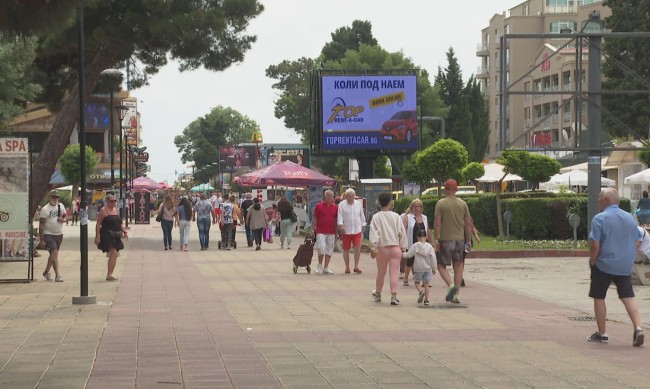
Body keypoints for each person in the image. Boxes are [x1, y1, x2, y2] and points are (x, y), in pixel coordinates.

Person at [587, 188, 644, 346]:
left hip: (604, 263)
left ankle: (602, 333)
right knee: (628, 296)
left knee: (599, 296)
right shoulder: (630, 218)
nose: (598, 200)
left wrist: (593, 261)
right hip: (624, 265)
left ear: (606, 199)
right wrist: (629, 256)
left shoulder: (600, 218)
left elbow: (595, 244)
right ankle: (638, 327)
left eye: (600, 198)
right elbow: (638, 240)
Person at [433, 179, 473, 304]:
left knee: (441, 265)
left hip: (446, 239)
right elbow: (468, 224)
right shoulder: (463, 204)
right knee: (459, 266)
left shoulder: (441, 204)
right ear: (456, 189)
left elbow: (438, 223)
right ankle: (456, 295)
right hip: (460, 240)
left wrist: (436, 238)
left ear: (445, 189)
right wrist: (468, 240)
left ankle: (450, 285)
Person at [369, 192, 407, 305]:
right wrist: (403, 247)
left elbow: (374, 233)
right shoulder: (396, 216)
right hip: (395, 248)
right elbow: (402, 232)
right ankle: (393, 296)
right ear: (390, 203)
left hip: (382, 248)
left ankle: (378, 293)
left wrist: (374, 246)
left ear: (379, 203)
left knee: (381, 273)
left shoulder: (376, 217)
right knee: (394, 273)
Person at [95, 194, 127, 281]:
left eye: (115, 201)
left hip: (116, 234)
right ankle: (109, 274)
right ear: (107, 202)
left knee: (115, 253)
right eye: (111, 201)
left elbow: (119, 222)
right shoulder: (103, 211)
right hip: (107, 234)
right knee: (114, 252)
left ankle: (110, 273)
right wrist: (97, 236)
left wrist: (124, 230)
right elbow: (98, 224)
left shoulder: (115, 210)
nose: (113, 203)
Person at [402, 227, 437, 305]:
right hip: (428, 268)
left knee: (417, 282)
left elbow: (409, 255)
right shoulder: (429, 246)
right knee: (426, 284)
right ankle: (427, 300)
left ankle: (421, 292)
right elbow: (433, 257)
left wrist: (403, 254)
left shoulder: (415, 245)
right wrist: (434, 268)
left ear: (417, 237)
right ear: (426, 237)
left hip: (418, 268)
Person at [337, 188, 366, 274]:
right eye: (349, 196)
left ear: (354, 196)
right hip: (346, 230)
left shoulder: (358, 204)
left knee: (357, 248)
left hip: (357, 229)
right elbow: (340, 216)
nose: (350, 198)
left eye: (352, 196)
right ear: (345, 196)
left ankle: (356, 266)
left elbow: (362, 215)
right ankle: (347, 267)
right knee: (346, 249)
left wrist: (363, 224)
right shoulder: (342, 204)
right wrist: (341, 225)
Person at [39, 190, 66, 282]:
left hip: (59, 234)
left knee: (53, 254)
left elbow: (64, 215)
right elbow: (41, 225)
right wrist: (42, 239)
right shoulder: (45, 209)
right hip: (48, 234)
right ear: (49, 198)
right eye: (53, 197)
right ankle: (57, 274)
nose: (55, 199)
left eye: (57, 197)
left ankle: (46, 272)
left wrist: (63, 219)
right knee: (54, 253)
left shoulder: (61, 206)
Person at [402, 198, 429, 286]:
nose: (416, 208)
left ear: (421, 208)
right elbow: (403, 230)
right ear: (411, 208)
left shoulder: (425, 218)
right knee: (410, 261)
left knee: (424, 261)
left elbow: (427, 230)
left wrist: (430, 241)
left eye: (418, 206)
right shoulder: (408, 217)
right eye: (414, 206)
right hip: (411, 242)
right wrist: (402, 242)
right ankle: (406, 278)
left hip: (422, 243)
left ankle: (425, 280)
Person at [312, 190, 339, 274]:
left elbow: (336, 221)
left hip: (331, 231)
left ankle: (326, 267)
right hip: (320, 231)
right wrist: (313, 229)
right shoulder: (318, 206)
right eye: (328, 196)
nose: (330, 197)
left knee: (329, 249)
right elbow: (315, 217)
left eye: (331, 196)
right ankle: (319, 265)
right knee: (321, 247)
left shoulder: (335, 207)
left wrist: (336, 232)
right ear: (324, 196)